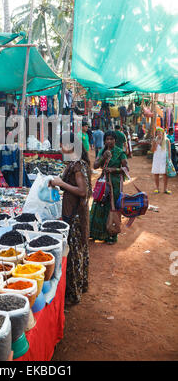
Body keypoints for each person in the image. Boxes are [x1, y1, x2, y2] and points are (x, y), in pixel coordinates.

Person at [50, 132, 92, 305]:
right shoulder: (74, 164)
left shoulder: (78, 166)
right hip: (73, 212)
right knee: (77, 251)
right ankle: (80, 286)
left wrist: (61, 184)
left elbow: (83, 191)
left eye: (63, 145)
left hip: (75, 215)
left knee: (75, 252)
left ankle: (73, 294)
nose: (61, 148)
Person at [90, 130, 129, 245]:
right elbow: (95, 166)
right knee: (99, 205)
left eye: (111, 139)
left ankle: (111, 236)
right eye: (107, 139)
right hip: (103, 182)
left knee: (112, 207)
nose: (109, 141)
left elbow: (126, 168)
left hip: (115, 184)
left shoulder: (120, 152)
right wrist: (103, 157)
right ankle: (96, 233)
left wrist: (113, 170)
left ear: (115, 140)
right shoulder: (102, 151)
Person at [152, 127, 172, 194]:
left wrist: (169, 160)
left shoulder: (167, 140)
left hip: (164, 159)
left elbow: (169, 151)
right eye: (157, 132)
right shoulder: (155, 140)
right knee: (156, 173)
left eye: (159, 132)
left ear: (163, 133)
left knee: (165, 174)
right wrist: (155, 144)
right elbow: (153, 150)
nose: (158, 134)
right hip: (156, 158)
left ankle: (165, 189)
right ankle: (157, 189)